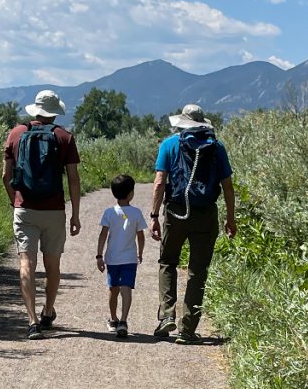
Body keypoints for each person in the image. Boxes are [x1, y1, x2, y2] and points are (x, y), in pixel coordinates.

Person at [149, 104, 236, 344]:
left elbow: (158, 183)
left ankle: (167, 316)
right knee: (198, 271)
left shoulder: (169, 144)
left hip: (176, 211)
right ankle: (187, 330)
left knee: (168, 261)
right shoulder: (216, 147)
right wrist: (231, 218)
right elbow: (228, 187)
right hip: (206, 214)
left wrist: (154, 216)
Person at [2, 89, 82, 339]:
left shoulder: (16, 133)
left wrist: (15, 201)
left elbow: (6, 176)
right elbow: (73, 179)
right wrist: (75, 214)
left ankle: (32, 321)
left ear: (35, 109)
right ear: (55, 112)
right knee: (52, 264)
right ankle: (48, 312)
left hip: (24, 208)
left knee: (27, 262)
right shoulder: (64, 137)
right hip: (54, 210)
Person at [95, 174, 146, 339]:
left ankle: (114, 319)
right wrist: (140, 252)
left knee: (113, 289)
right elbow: (141, 236)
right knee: (126, 289)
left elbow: (103, 235)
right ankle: (124, 320)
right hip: (130, 258)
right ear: (131, 193)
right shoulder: (136, 213)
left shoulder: (109, 213)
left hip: (112, 259)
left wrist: (99, 255)